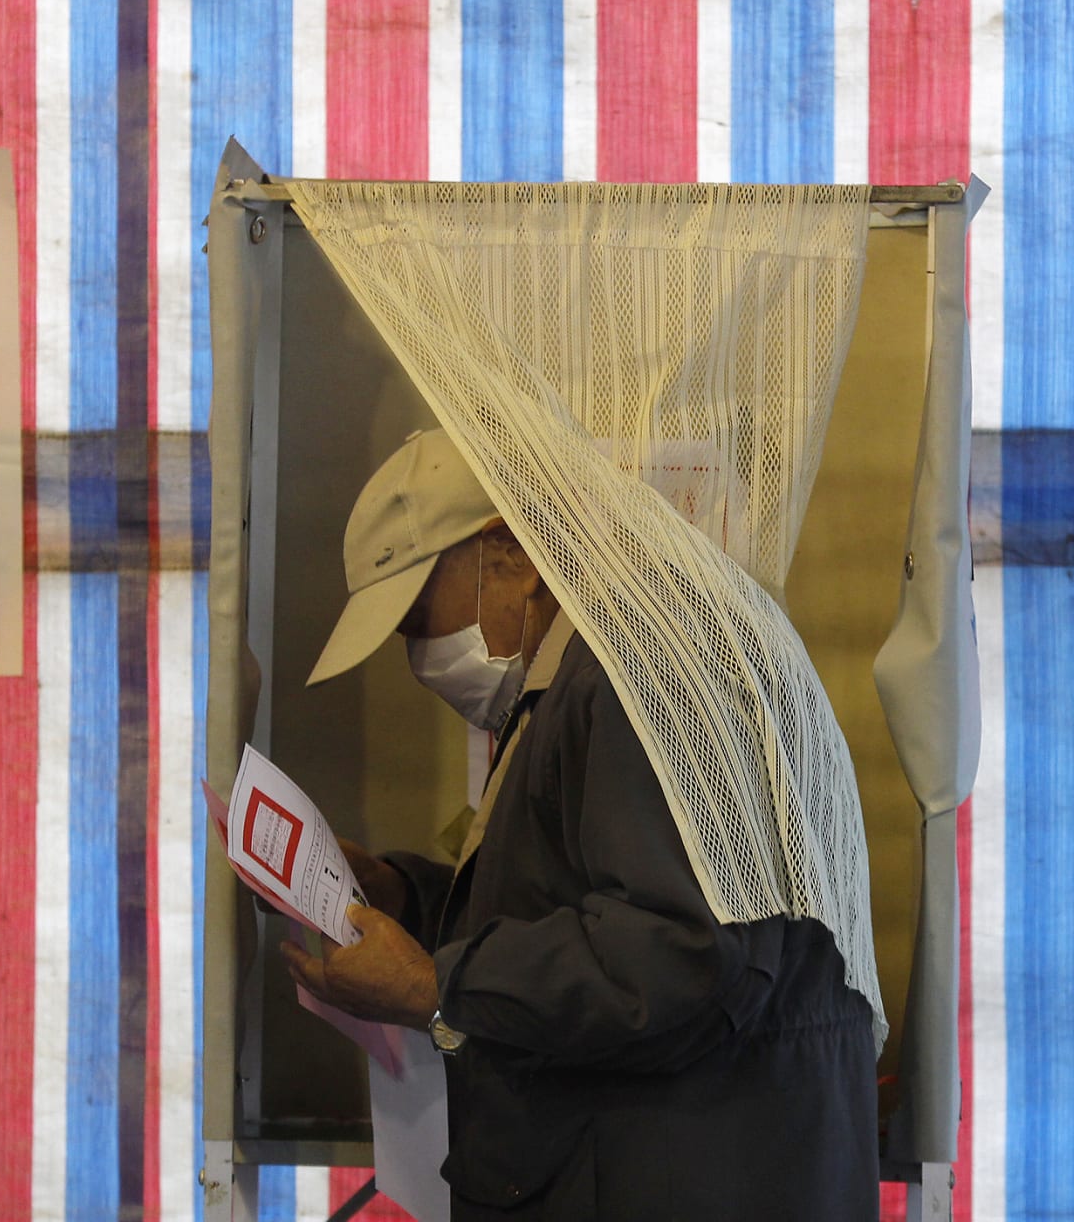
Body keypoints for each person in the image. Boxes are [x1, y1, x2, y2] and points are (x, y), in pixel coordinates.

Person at [283, 428, 879, 1220]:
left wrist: (435, 989)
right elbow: (564, 900)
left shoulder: (642, 662)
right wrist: (397, 898)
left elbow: (683, 951)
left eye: (418, 614)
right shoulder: (599, 662)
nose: (417, 654)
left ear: (512, 553)